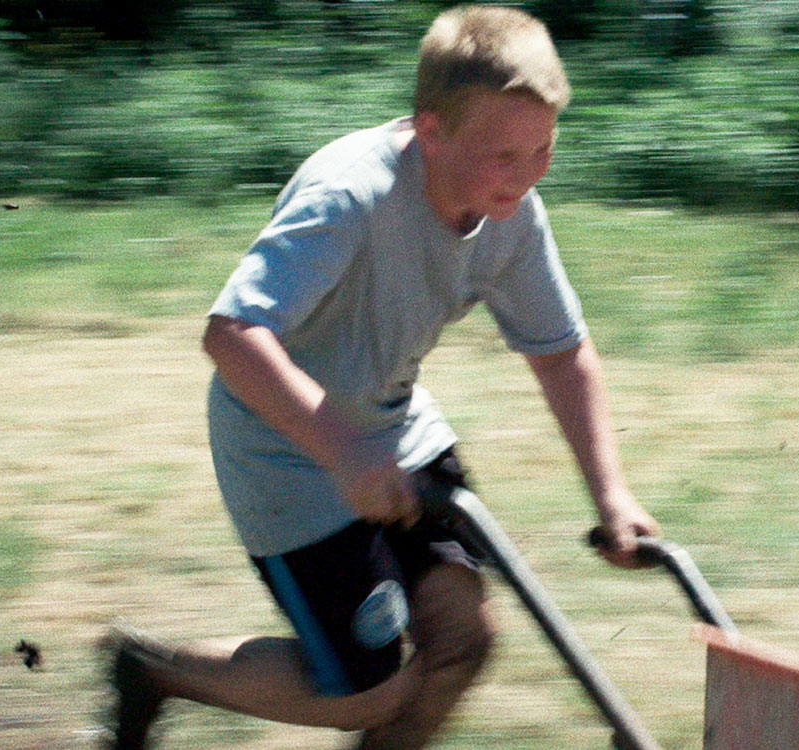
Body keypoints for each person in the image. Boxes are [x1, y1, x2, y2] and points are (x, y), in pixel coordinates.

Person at [104, 5, 659, 749]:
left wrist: (612, 496)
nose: (527, 174)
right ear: (432, 130)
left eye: (543, 149)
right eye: (504, 153)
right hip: (286, 448)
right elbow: (232, 333)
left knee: (463, 641)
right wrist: (339, 448)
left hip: (390, 425)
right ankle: (153, 671)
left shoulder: (512, 212)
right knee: (365, 690)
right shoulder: (350, 198)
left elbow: (561, 353)